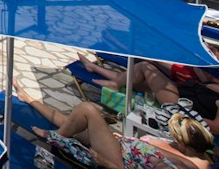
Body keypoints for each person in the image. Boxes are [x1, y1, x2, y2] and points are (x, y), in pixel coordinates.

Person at [14, 77, 213, 169]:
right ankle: (29, 99)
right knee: (73, 122)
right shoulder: (197, 153)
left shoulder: (178, 167)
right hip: (121, 147)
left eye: (175, 138)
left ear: (186, 145)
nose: (171, 139)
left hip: (118, 160)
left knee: (88, 110)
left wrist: (106, 163)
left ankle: (55, 135)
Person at [77, 54, 219, 134]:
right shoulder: (214, 77)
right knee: (131, 79)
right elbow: (201, 75)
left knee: (144, 67)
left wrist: (185, 117)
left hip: (179, 105)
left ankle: (113, 83)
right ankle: (93, 67)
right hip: (181, 90)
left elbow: (216, 127)